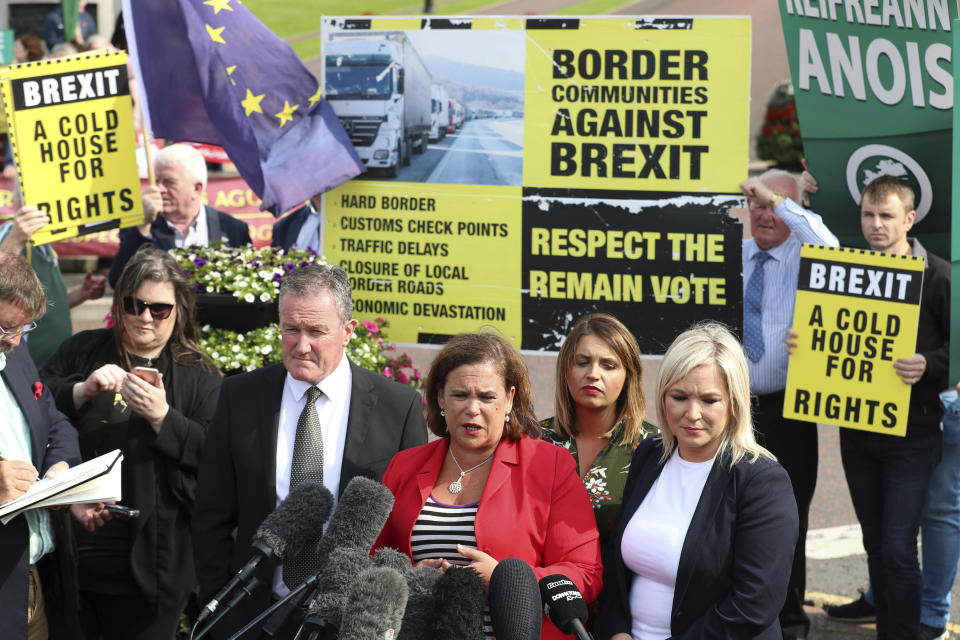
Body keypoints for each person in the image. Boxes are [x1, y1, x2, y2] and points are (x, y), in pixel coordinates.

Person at [193, 263, 427, 638]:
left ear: (348, 331)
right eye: (291, 329)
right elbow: (211, 516)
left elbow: (410, 526)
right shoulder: (240, 396)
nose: (301, 345)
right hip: (254, 619)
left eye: (316, 331)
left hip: (352, 621)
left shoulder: (397, 408)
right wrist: (223, 607)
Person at [794, 175, 949, 639]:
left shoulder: (939, 275)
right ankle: (888, 629)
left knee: (900, 548)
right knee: (876, 544)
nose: (876, 225)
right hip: (858, 431)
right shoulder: (844, 269)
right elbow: (825, 333)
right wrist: (804, 344)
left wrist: (931, 364)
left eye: (886, 216)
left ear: (909, 218)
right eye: (868, 215)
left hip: (914, 433)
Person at [39, 247, 222, 640]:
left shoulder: (199, 374)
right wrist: (81, 390)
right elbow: (36, 405)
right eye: (134, 304)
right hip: (76, 557)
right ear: (119, 302)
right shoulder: (82, 350)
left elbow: (215, 456)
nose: (144, 317)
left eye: (159, 309)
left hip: (155, 565)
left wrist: (163, 418)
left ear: (180, 310)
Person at [373, 332, 603, 640]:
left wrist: (505, 580)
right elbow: (373, 564)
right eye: (459, 395)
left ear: (509, 399)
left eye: (486, 397)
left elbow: (586, 573)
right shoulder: (404, 465)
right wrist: (410, 578)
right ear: (440, 398)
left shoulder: (550, 465)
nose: (472, 408)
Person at [598, 322, 799, 640]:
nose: (692, 413)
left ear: (734, 403)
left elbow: (754, 604)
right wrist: (617, 631)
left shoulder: (763, 482)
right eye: (679, 396)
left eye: (709, 400)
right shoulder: (650, 454)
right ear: (663, 396)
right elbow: (616, 568)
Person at [737, 169, 839, 639]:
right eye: (755, 203)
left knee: (787, 517)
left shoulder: (808, 255)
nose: (762, 212)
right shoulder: (732, 257)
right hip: (732, 412)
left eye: (771, 204)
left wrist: (781, 201)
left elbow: (831, 245)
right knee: (726, 515)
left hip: (788, 412)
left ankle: (790, 619)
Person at [0, 253, 83, 639]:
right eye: (6, 326)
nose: (14, 339)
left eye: (23, 328)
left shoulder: (15, 354)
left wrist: (61, 468)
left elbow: (54, 421)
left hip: (30, 581)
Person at [540, 313, 656, 552]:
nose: (593, 374)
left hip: (621, 585)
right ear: (565, 370)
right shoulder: (533, 439)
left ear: (628, 376)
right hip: (537, 583)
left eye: (608, 365)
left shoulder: (655, 447)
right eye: (582, 362)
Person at [109, 144, 251, 287]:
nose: (160, 189)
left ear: (197, 188)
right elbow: (118, 282)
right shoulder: (140, 227)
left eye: (169, 182)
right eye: (158, 181)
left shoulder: (233, 229)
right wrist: (143, 225)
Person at [0, 184, 107, 368]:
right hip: (27, 367)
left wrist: (81, 293)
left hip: (49, 368)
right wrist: (16, 238)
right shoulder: (12, 234)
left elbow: (47, 303)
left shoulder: (43, 243)